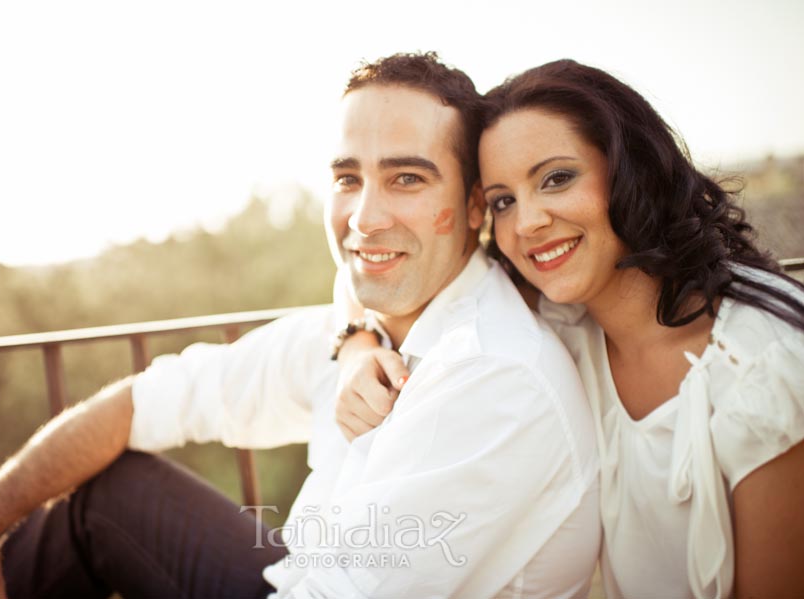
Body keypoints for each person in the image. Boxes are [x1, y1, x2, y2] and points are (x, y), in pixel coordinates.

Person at [0, 53, 600, 599]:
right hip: (297, 575)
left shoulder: (494, 377)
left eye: (407, 179)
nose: (364, 217)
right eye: (348, 178)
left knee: (110, 506)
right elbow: (142, 400)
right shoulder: (360, 328)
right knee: (110, 493)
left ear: (477, 206)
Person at [334, 59, 804, 598]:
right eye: (503, 201)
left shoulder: (760, 368)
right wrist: (356, 341)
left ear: (631, 170)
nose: (528, 222)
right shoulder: (565, 316)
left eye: (556, 179)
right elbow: (374, 262)